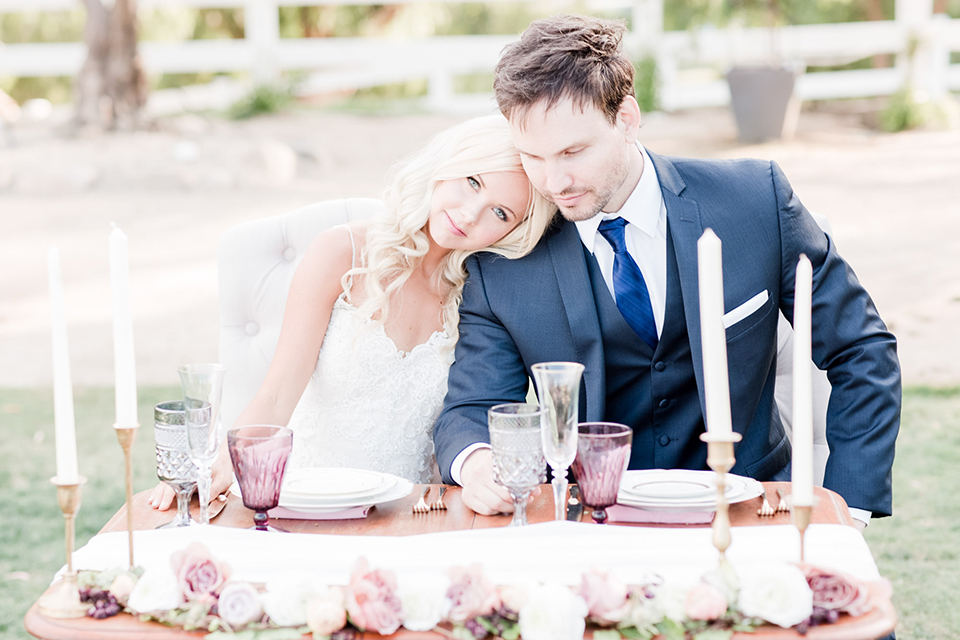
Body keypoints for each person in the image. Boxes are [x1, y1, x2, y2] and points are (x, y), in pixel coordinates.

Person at [433, 15, 901, 529]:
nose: (554, 181)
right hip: (586, 525)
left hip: (750, 510)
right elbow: (473, 407)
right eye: (533, 157)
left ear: (627, 118)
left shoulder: (754, 202)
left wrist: (848, 506)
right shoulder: (505, 262)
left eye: (573, 151)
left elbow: (862, 348)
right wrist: (476, 462)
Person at [150, 115, 556, 510]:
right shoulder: (341, 253)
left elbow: (474, 417)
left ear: (514, 231)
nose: (471, 213)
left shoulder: (481, 297)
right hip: (310, 504)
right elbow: (275, 396)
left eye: (500, 212)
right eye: (472, 182)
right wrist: (217, 465)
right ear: (447, 166)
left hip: (412, 517)